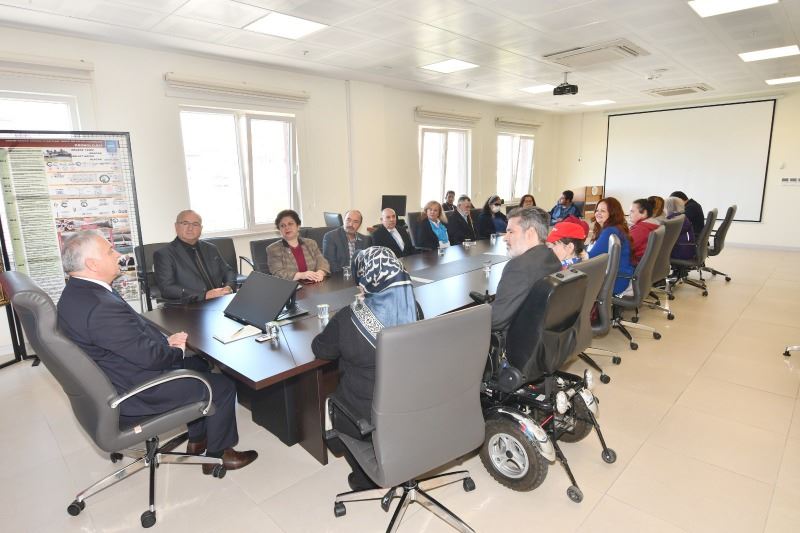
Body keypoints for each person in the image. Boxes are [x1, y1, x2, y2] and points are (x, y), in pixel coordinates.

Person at [57, 231, 257, 473]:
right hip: (137, 389)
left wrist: (165, 342)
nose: (118, 254)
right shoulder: (99, 307)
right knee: (223, 386)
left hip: (120, 373)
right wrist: (176, 349)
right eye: (109, 251)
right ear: (92, 264)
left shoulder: (78, 293)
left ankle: (198, 439)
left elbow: (131, 332)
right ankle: (218, 456)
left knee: (201, 365)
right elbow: (151, 358)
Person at [312, 246, 418, 491]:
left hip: (364, 414)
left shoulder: (349, 318)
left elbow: (322, 350)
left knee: (335, 397)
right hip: (410, 404)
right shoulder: (414, 309)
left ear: (363, 281)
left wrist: (356, 305)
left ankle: (364, 478)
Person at [491, 207, 561, 331]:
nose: (505, 238)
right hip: (544, 335)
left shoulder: (518, 267)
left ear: (530, 233)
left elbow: (496, 320)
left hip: (516, 338)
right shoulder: (552, 258)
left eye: (511, 232)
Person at [153, 210, 236, 303]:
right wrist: (204, 295)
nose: (190, 228)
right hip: (190, 305)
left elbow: (228, 271)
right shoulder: (164, 254)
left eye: (195, 224)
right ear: (176, 226)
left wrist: (228, 287)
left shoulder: (211, 248)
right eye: (185, 223)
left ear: (201, 228)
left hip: (219, 300)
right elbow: (167, 288)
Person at [587, 197, 634, 295]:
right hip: (619, 277)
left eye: (603, 211)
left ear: (612, 214)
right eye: (597, 210)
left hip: (615, 281)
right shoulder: (616, 228)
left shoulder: (610, 231)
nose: (598, 213)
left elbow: (591, 258)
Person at [267, 209, 330, 282]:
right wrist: (301, 275)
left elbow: (323, 263)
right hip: (291, 286)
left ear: (298, 226)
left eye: (290, 224)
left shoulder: (311, 243)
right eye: (282, 226)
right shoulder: (273, 249)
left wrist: (320, 273)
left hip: (315, 283)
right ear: (279, 230)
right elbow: (277, 273)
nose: (287, 228)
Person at [629, 198, 659, 265]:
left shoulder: (641, 229)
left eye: (632, 211)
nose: (629, 214)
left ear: (644, 213)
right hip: (643, 263)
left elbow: (624, 248)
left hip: (633, 263)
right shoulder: (651, 225)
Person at [665, 196, 696, 260]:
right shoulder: (682, 217)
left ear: (668, 207)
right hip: (689, 249)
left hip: (680, 252)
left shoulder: (672, 219)